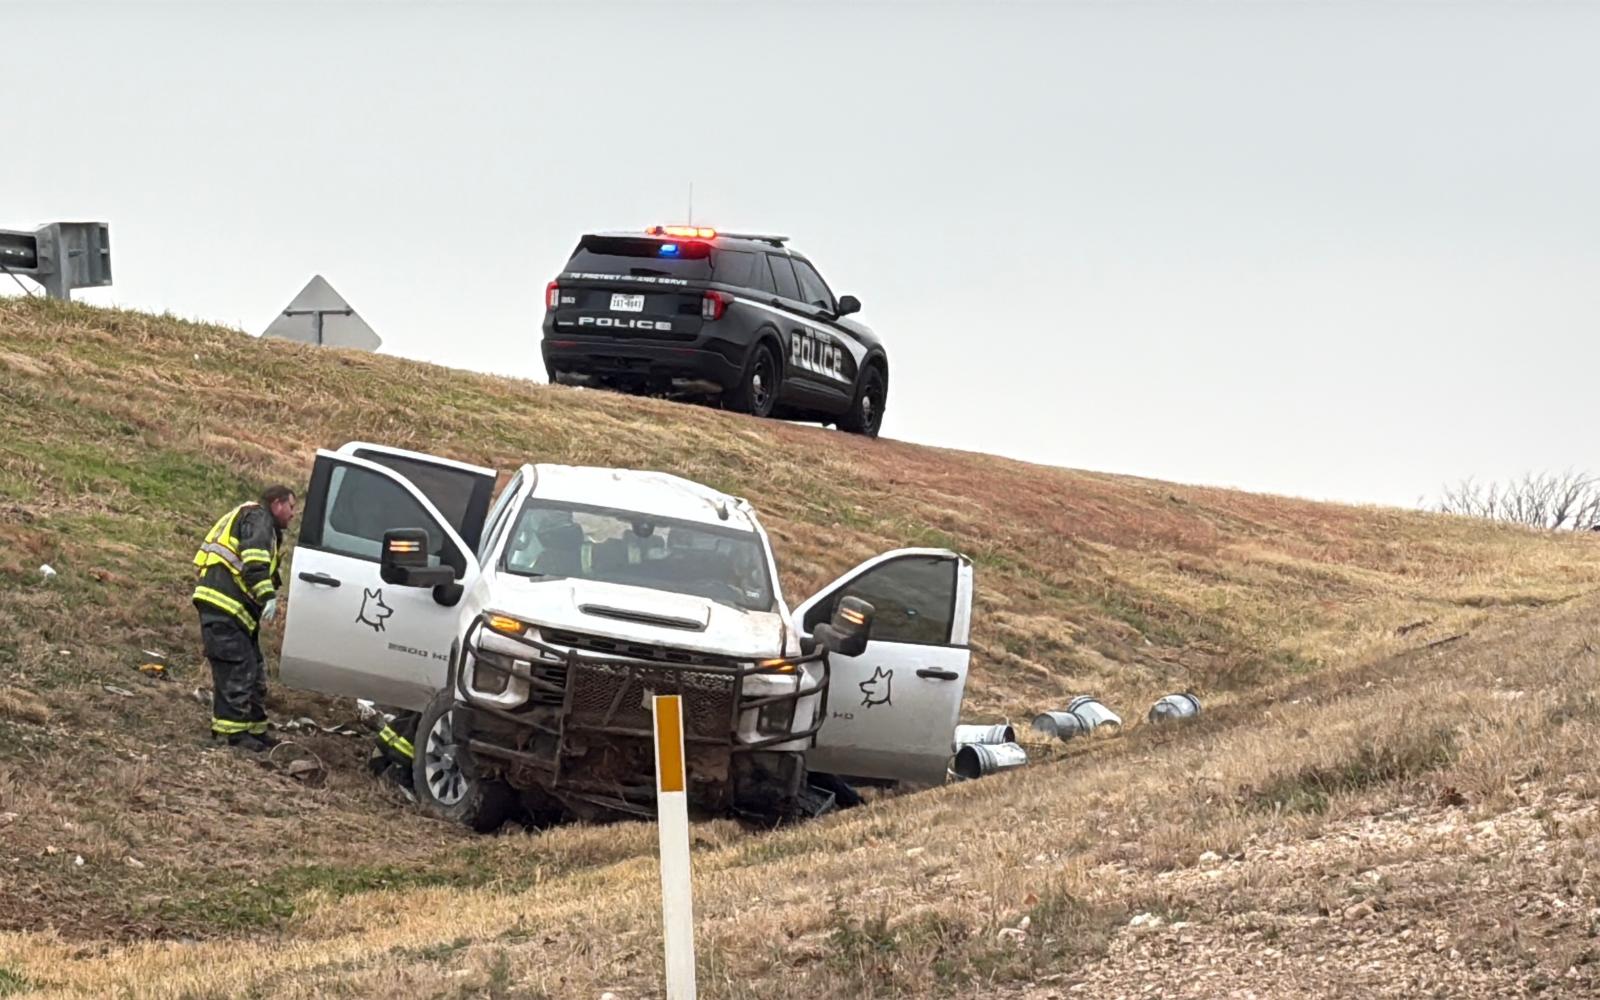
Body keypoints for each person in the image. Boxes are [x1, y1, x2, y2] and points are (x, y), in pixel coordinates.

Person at [192, 485, 295, 751]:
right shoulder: (259, 518)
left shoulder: (256, 520)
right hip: (224, 604)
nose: (293, 514)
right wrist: (267, 595)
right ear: (277, 504)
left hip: (233, 609)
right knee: (238, 669)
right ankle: (233, 734)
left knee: (254, 670)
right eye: (291, 506)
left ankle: (256, 730)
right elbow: (254, 562)